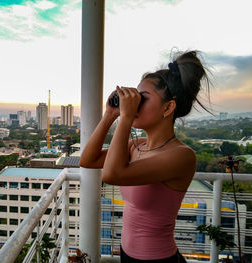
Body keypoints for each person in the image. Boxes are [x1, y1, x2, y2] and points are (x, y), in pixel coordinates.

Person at [79, 51, 211, 262]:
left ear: (168, 107)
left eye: (143, 98)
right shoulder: (137, 146)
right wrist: (110, 115)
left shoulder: (181, 156)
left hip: (156, 259)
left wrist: (127, 118)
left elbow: (112, 174)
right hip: (127, 253)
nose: (134, 103)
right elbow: (88, 160)